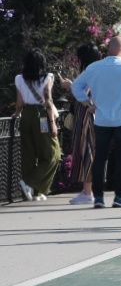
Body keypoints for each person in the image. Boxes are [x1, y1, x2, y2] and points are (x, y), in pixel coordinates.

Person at [71, 36, 121, 208]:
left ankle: (99, 197)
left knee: (100, 158)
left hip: (101, 118)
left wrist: (87, 102)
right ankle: (119, 197)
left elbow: (76, 86)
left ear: (108, 49)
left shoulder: (94, 68)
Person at [13, 48, 61, 201]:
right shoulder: (48, 77)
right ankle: (30, 183)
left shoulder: (19, 78)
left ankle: (35, 191)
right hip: (41, 116)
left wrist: (17, 113)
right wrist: (52, 122)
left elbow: (19, 102)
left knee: (29, 154)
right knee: (53, 153)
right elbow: (47, 99)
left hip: (26, 116)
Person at [66, 43, 101, 204]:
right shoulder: (100, 71)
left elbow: (85, 93)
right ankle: (88, 190)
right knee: (90, 150)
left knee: (86, 150)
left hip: (86, 115)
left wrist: (70, 86)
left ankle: (87, 191)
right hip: (96, 116)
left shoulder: (89, 72)